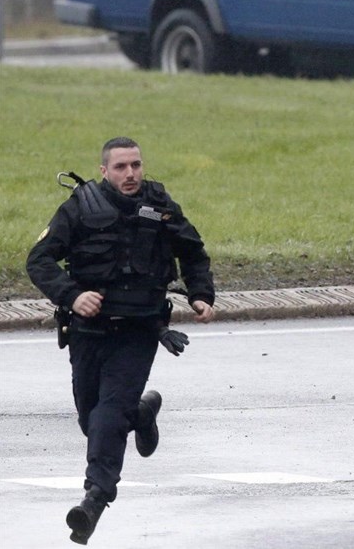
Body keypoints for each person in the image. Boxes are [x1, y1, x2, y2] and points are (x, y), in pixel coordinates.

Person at [26, 137, 216, 545]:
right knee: (90, 420)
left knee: (108, 417)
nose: (130, 174)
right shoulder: (80, 207)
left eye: (136, 165)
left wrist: (201, 293)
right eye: (121, 167)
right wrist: (72, 295)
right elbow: (39, 260)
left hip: (139, 330)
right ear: (104, 171)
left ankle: (94, 499)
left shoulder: (160, 206)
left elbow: (194, 252)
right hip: (88, 333)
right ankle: (143, 414)